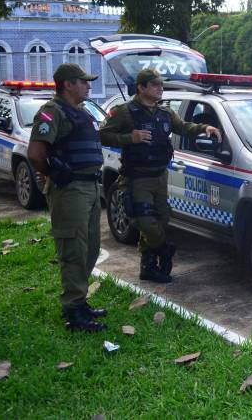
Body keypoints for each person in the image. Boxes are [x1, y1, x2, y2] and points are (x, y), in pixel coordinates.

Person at [99, 68, 221, 283]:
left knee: (161, 220)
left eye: (161, 84)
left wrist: (205, 128)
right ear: (141, 87)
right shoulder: (125, 112)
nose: (160, 88)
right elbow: (103, 135)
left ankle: (148, 267)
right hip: (137, 178)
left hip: (160, 175)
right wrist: (130, 138)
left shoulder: (165, 113)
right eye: (155, 84)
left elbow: (184, 127)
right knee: (146, 222)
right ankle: (165, 249)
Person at [27, 63, 106, 332]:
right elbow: (35, 154)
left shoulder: (82, 111)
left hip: (90, 187)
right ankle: (73, 311)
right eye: (83, 81)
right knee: (73, 249)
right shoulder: (52, 111)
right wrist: (53, 174)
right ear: (68, 84)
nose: (88, 86)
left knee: (90, 247)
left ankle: (79, 301)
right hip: (70, 189)